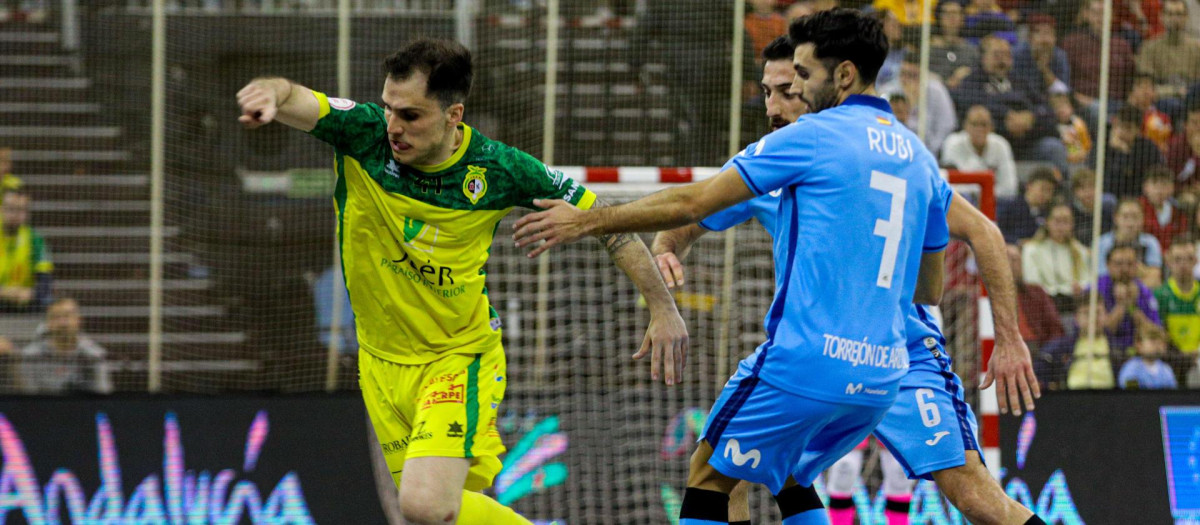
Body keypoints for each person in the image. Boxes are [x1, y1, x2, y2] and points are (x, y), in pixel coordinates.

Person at [514, 11, 1042, 525]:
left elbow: (692, 201)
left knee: (715, 471)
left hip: (863, 352)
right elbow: (929, 285)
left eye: (794, 84)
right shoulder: (909, 153)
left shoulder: (810, 141)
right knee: (780, 473)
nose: (777, 101)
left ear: (839, 76)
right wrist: (667, 250)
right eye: (767, 90)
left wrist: (589, 221)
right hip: (883, 366)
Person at [235, 38, 688, 525]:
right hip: (382, 363)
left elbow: (608, 223)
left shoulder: (497, 169)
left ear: (454, 115)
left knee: (423, 505)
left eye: (410, 115)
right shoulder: (361, 133)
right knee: (435, 516)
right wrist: (266, 94)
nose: (393, 126)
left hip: (456, 359)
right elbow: (289, 93)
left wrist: (662, 308)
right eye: (388, 108)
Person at [17, 298, 111, 394]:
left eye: (67, 316)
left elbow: (102, 393)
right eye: (56, 317)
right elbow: (28, 398)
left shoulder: (94, 355)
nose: (62, 323)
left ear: (78, 320)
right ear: (47, 323)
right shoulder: (30, 355)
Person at [881, 53, 957, 155]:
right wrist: (909, 106)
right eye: (903, 74)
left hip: (929, 152)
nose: (906, 80)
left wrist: (928, 153)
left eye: (912, 75)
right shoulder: (888, 91)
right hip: (894, 150)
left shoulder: (937, 91)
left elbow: (947, 126)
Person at [1096, 243, 1163, 358]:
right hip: (1106, 353)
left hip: (1140, 353)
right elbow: (1099, 333)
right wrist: (1121, 305)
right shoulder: (1096, 290)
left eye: (1130, 264)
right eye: (1118, 264)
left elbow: (1157, 333)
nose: (1124, 269)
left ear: (1137, 266)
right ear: (1108, 265)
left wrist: (1132, 307)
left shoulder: (1144, 291)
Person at [1022, 203, 1092, 312]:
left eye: (1066, 221)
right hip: (1043, 305)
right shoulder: (1031, 249)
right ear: (1047, 222)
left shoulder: (1080, 251)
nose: (1061, 226)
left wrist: (1081, 287)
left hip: (1073, 305)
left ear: (1072, 224)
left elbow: (1087, 280)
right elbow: (1032, 282)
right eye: (1057, 221)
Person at [940, 105, 1018, 199]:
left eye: (984, 124)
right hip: (962, 202)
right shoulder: (953, 144)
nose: (979, 129)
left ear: (991, 127)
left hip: (994, 202)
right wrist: (982, 191)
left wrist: (982, 194)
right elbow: (950, 185)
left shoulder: (1001, 145)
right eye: (974, 124)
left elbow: (1009, 187)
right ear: (966, 126)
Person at [0, 186, 52, 312]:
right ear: (1, 209)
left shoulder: (35, 239)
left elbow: (45, 280)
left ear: (27, 214)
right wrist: (3, 292)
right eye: (10, 209)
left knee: (47, 300)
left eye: (20, 210)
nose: (15, 215)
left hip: (24, 304)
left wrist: (31, 293)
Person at [1137, 0, 1200, 104]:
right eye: (1170, 14)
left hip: (1191, 102)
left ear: (1186, 17)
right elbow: (1146, 87)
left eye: (1179, 14)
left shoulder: (1197, 49)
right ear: (1162, 17)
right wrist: (1175, 91)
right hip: (1160, 102)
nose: (1175, 19)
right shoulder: (1149, 48)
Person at [1155, 235, 1200, 376]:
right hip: (1171, 361)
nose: (1183, 264)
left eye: (1188, 259)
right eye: (1178, 259)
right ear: (1168, 261)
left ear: (1196, 261)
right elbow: (1159, 333)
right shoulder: (1160, 295)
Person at [1103, 106, 1166, 199]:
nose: (1121, 131)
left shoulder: (1148, 148)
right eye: (1118, 126)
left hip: (1140, 197)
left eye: (1128, 128)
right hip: (1111, 196)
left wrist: (1124, 152)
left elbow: (1152, 178)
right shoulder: (1104, 145)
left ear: (1137, 130)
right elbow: (1108, 182)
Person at [1009, 244, 1065, 348]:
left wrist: (1048, 353)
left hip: (1035, 348)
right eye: (1006, 259)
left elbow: (1055, 328)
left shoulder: (1037, 292)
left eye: (1015, 259)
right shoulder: (986, 296)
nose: (1010, 264)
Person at [1097, 198, 1164, 284]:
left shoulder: (1151, 243)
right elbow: (1101, 279)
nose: (1130, 223)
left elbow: (1155, 280)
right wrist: (1142, 272)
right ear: (1116, 218)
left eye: (1135, 217)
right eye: (1125, 217)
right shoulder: (1101, 243)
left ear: (1143, 218)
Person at [996, 167, 1057, 244]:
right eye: (1043, 189)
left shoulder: (1048, 212)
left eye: (1049, 191)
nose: (1045, 194)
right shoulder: (1009, 206)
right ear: (1029, 186)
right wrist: (1016, 242)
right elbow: (997, 231)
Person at [929, 0, 979, 90]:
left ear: (962, 18)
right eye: (947, 13)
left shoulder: (971, 50)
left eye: (956, 13)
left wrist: (968, 73)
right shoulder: (929, 49)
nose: (952, 17)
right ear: (939, 18)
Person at [1140, 165, 1189, 250]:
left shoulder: (1178, 212)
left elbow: (1182, 238)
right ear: (1145, 187)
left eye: (1164, 184)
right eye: (1155, 184)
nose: (1159, 190)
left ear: (1172, 188)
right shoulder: (1137, 208)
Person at [1069, 168, 1114, 245]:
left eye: (1091, 186)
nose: (1088, 192)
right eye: (1082, 188)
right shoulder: (1070, 212)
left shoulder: (1108, 209)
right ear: (1074, 191)